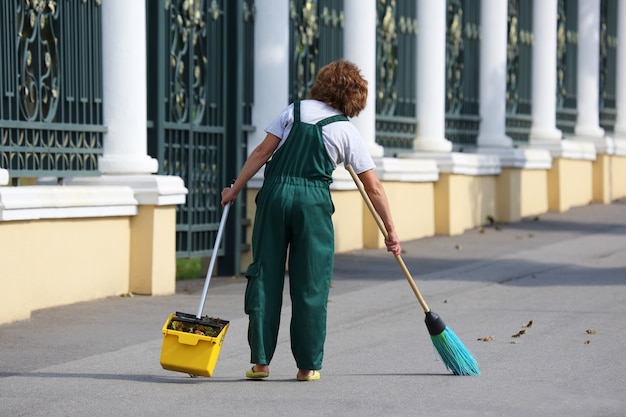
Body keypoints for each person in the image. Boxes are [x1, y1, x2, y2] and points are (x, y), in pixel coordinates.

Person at [221, 59, 401, 381]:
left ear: (323, 84)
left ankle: (261, 362)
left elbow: (262, 153)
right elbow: (373, 188)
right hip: (313, 204)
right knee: (311, 282)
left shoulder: (295, 111)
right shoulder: (346, 131)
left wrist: (235, 189)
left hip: (275, 196)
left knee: (264, 274)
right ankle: (307, 366)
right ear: (353, 98)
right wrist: (390, 230)